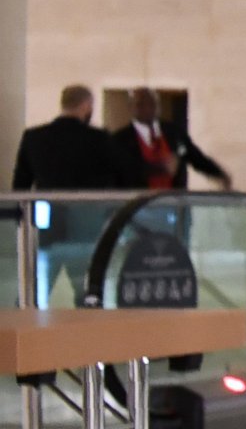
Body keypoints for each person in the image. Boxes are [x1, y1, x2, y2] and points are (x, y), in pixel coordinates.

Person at [13, 85, 144, 305]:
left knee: (34, 288)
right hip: (87, 228)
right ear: (86, 106)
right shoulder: (99, 139)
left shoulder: (34, 137)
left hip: (46, 229)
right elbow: (127, 178)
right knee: (87, 290)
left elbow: (20, 185)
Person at [110, 88, 231, 193]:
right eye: (141, 104)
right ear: (131, 107)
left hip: (175, 203)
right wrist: (159, 168)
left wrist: (219, 174)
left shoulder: (174, 133)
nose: (147, 108)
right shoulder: (120, 139)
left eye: (152, 103)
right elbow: (124, 170)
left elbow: (194, 156)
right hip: (137, 206)